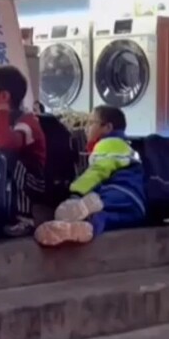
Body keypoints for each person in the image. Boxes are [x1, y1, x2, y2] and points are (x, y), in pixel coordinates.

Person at [35, 105, 146, 246]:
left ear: (107, 127)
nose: (86, 128)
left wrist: (76, 193)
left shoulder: (109, 144)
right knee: (103, 218)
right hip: (136, 205)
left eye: (91, 123)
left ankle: (85, 206)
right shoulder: (125, 146)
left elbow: (97, 171)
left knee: (96, 203)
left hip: (116, 194)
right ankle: (86, 227)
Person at [0, 66, 47, 237]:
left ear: (4, 96)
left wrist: (0, 113)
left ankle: (24, 219)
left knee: (7, 158)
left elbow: (7, 146)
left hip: (34, 183)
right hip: (15, 182)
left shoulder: (28, 122)